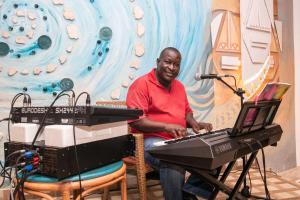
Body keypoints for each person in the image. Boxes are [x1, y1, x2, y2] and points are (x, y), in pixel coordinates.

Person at [126, 47, 214, 200]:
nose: (172, 68)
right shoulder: (142, 84)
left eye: (176, 64)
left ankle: (189, 193)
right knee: (174, 160)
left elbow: (186, 112)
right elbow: (137, 121)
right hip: (148, 141)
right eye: (168, 62)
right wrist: (167, 126)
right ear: (158, 62)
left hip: (178, 140)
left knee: (213, 151)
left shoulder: (179, 86)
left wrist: (194, 122)